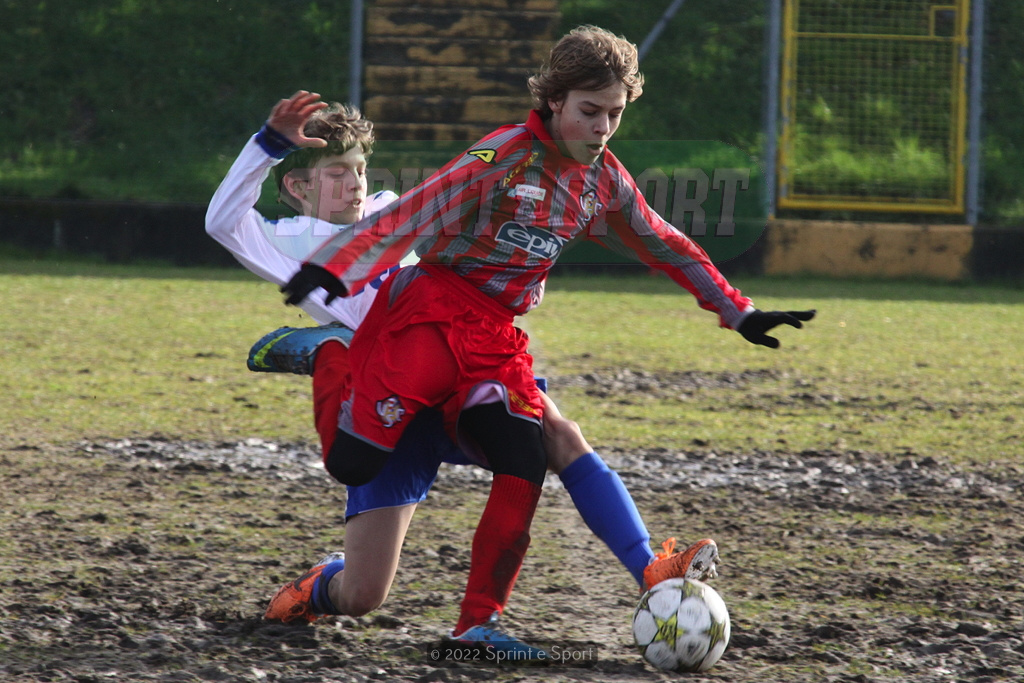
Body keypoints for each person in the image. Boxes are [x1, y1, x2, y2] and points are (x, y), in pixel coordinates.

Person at [280, 26, 814, 646]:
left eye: (615, 113)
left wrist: (739, 310)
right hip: (424, 323)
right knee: (360, 562)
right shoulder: (505, 155)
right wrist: (338, 265)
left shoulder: (604, 181)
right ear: (554, 100)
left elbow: (665, 242)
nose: (603, 127)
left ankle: (483, 624)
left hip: (491, 343)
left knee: (536, 448)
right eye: (590, 111)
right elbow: (418, 210)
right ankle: (329, 361)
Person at [206, 90, 721, 655]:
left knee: (557, 437)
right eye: (335, 173)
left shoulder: (388, 208)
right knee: (362, 594)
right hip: (388, 396)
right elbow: (223, 220)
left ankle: (647, 568)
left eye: (359, 168)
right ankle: (318, 584)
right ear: (297, 188)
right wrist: (269, 146)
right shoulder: (288, 244)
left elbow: (470, 233)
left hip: (462, 365)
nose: (354, 183)